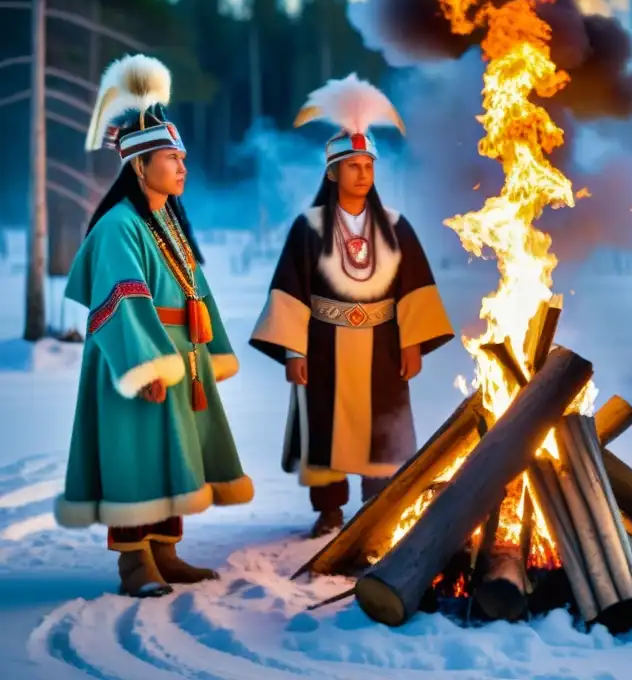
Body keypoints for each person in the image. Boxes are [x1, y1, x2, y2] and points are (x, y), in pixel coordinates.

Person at [54, 54, 254, 597]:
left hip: (177, 353)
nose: (183, 167)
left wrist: (206, 351)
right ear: (140, 165)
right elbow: (122, 298)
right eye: (172, 157)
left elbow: (197, 291)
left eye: (183, 157)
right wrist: (145, 364)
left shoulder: (168, 221)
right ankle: (134, 565)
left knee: (172, 450)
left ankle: (165, 553)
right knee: (134, 454)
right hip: (135, 358)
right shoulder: (121, 226)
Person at [250, 74, 455, 538]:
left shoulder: (397, 227)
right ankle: (329, 511)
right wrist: (293, 350)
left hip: (383, 344)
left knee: (385, 426)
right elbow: (289, 289)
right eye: (353, 165)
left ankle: (382, 505)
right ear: (332, 172)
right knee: (324, 427)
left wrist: (414, 342)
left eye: (369, 165)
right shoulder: (309, 227)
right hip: (323, 345)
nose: (363, 173)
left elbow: (415, 288)